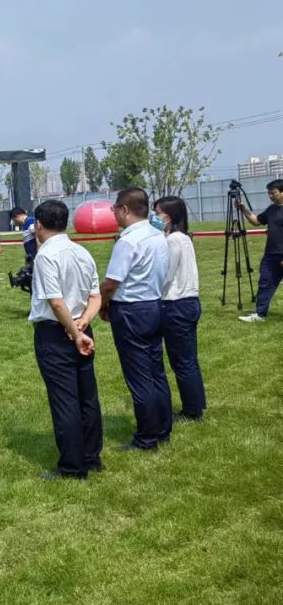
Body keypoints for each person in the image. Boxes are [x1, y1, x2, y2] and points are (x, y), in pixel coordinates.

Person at [29, 200, 103, 480]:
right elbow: (95, 296)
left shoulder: (46, 255)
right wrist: (84, 322)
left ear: (38, 224)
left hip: (57, 332)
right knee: (87, 396)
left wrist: (74, 331)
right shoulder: (82, 251)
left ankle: (72, 466)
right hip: (82, 327)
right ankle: (91, 456)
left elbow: (56, 302)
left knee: (65, 400)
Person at [100, 187, 173, 451]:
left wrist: (102, 304)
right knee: (156, 371)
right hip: (154, 305)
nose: (114, 214)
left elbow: (111, 282)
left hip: (131, 310)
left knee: (139, 376)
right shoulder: (158, 236)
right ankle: (162, 428)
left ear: (124, 210)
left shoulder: (128, 241)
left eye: (114, 209)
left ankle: (146, 437)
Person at [153, 196, 207, 422]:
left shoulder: (173, 240)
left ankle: (192, 410)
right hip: (189, 302)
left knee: (182, 361)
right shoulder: (183, 238)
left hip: (176, 304)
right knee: (188, 359)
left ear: (170, 215)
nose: (154, 216)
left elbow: (167, 274)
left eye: (158, 212)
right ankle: (196, 404)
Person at [236, 178, 283, 323]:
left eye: (273, 193)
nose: (270, 196)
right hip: (271, 255)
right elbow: (256, 221)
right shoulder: (271, 209)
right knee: (265, 283)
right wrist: (244, 209)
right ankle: (260, 314)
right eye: (269, 193)